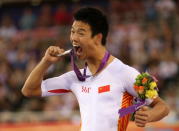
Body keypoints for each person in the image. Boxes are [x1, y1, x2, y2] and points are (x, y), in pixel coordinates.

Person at [22, 7, 170, 131]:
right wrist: (46, 62)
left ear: (98, 38)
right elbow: (29, 90)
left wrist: (149, 116)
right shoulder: (74, 78)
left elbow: (162, 107)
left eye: (81, 32)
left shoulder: (125, 73)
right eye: (72, 31)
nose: (74, 38)